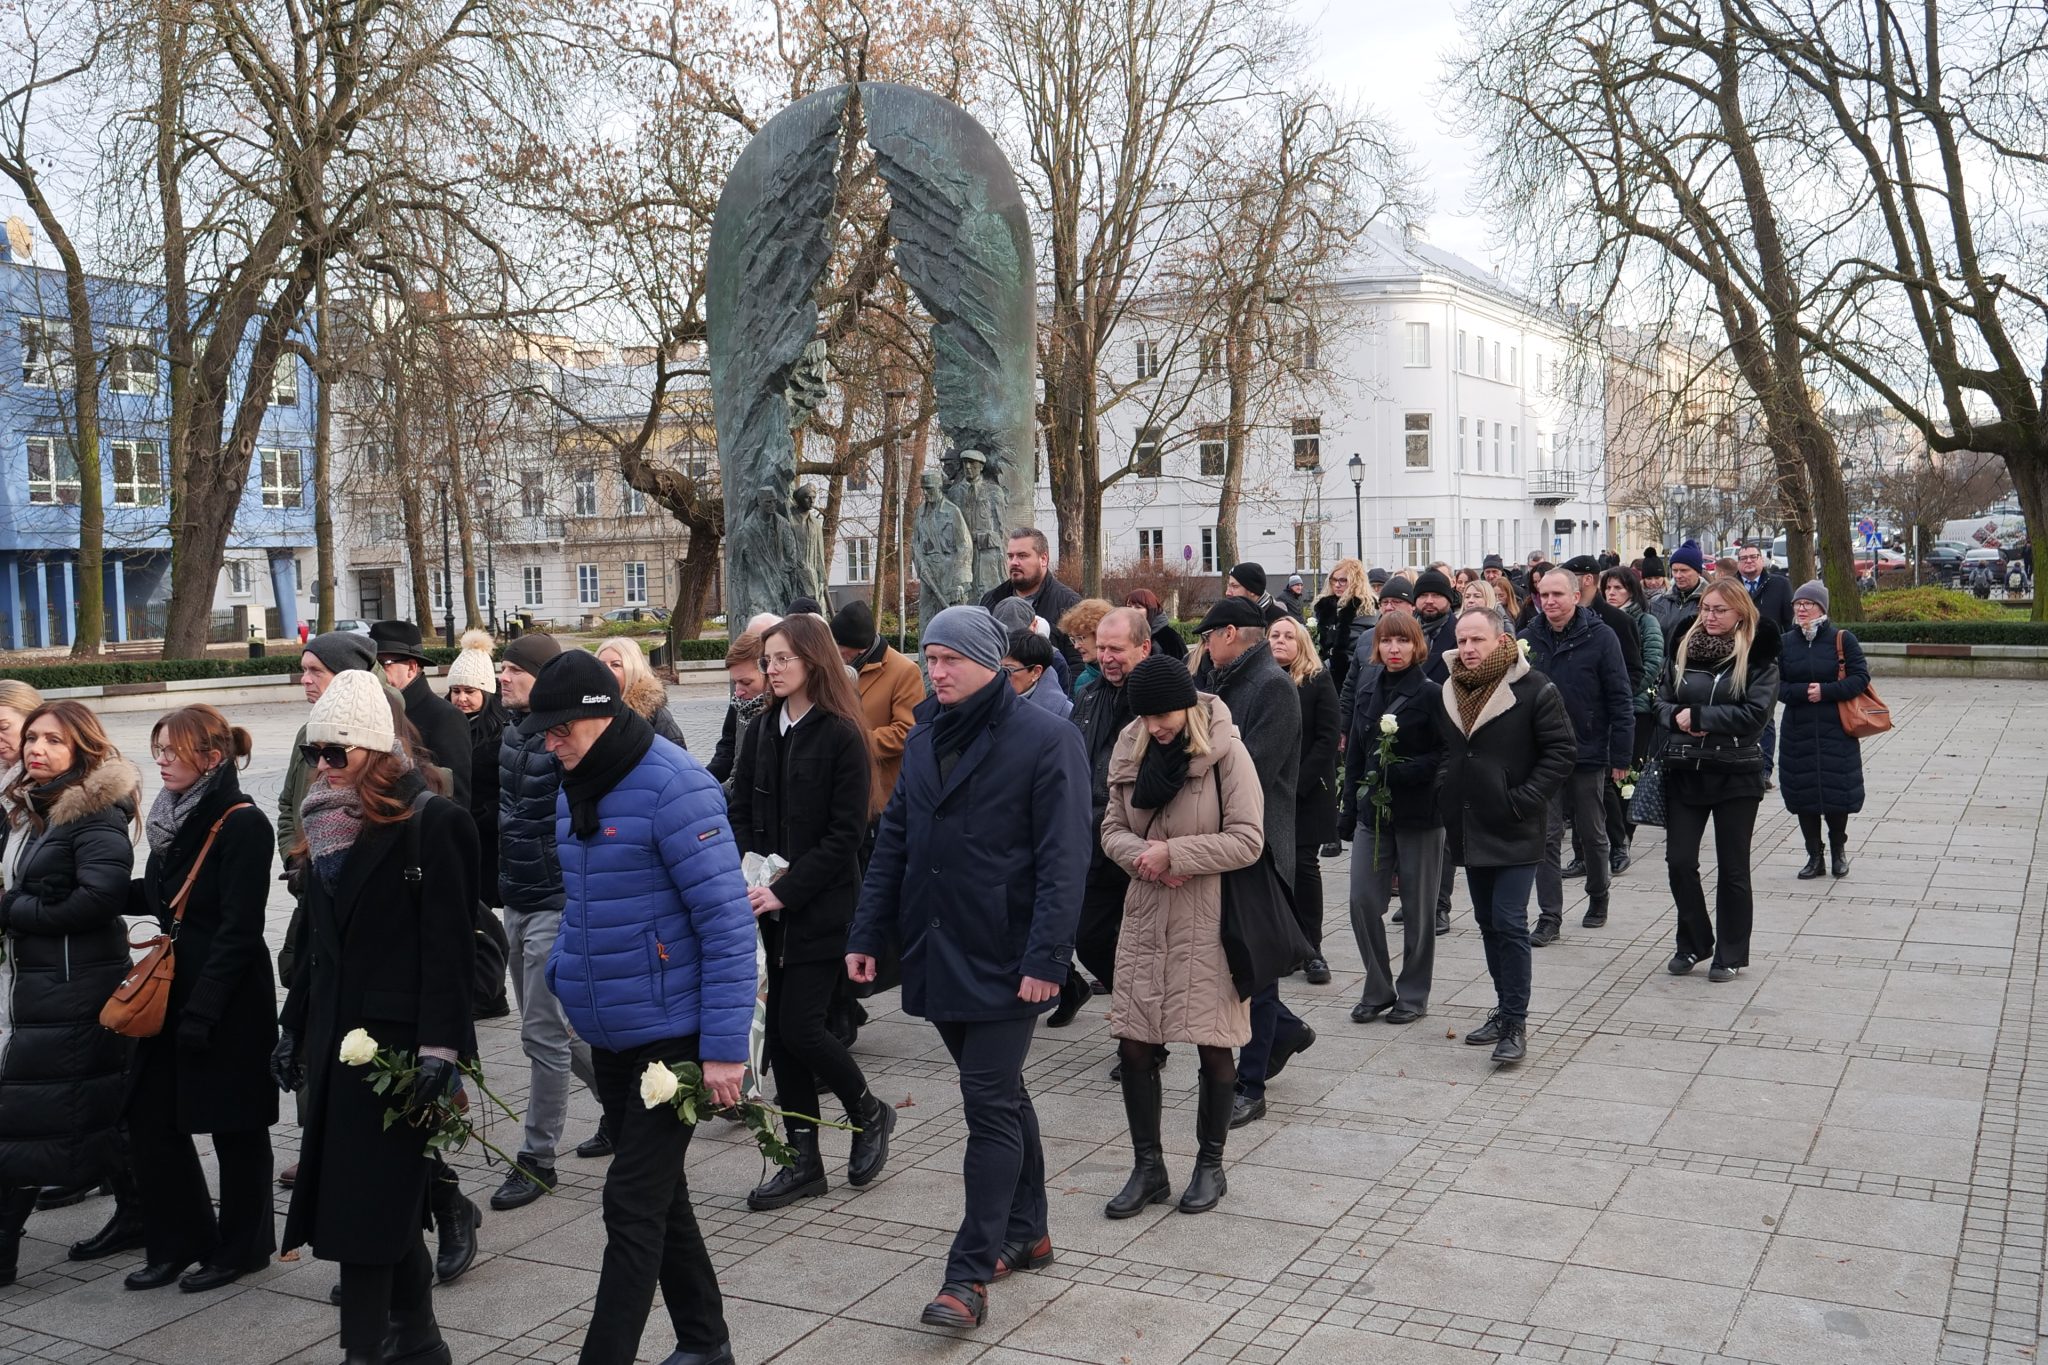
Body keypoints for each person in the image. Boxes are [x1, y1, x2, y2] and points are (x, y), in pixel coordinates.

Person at [846, 606, 1089, 1330]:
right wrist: (868, 931)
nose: (937, 669)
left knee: (986, 1106)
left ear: (989, 662)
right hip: (937, 949)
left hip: (1009, 956)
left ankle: (967, 1275)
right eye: (929, 656)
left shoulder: (1047, 737)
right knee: (1004, 1095)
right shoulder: (924, 735)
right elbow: (894, 840)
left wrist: (1048, 956)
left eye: (951, 658)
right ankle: (1031, 1229)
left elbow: (1065, 859)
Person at [525, 647, 755, 1365]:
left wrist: (724, 1049)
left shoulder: (674, 785)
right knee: (660, 1198)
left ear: (599, 714)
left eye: (559, 728)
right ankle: (705, 1343)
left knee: (629, 1203)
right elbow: (586, 906)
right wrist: (569, 981)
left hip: (676, 1034)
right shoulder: (576, 783)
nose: (548, 742)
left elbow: (726, 924)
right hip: (613, 1029)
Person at [275, 671, 477, 1365]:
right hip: (335, 1038)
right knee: (375, 1203)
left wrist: (442, 1051)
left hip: (399, 1049)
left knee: (363, 1208)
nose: (323, 767)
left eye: (337, 752)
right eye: (314, 753)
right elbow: (318, 946)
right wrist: (291, 1022)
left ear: (376, 748)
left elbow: (448, 951)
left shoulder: (434, 821)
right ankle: (417, 1339)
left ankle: (366, 1349)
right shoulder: (322, 829)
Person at [730, 615, 894, 1211]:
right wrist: (754, 868)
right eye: (767, 661)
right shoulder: (763, 726)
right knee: (780, 1035)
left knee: (800, 1027)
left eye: (781, 660)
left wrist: (788, 889)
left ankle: (868, 1111)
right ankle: (803, 1160)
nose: (771, 670)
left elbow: (846, 832)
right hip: (767, 902)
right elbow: (740, 803)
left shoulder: (841, 733)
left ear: (813, 662)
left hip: (821, 907)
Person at [1098, 656, 1264, 1217]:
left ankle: (1210, 1166)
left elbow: (1248, 839)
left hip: (1209, 917)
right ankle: (1148, 1168)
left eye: (1162, 715)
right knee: (1135, 1043)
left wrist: (1179, 854)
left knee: (1215, 1045)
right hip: (1147, 912)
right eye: (1143, 717)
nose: (1154, 726)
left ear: (1187, 706)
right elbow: (1111, 829)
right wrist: (1143, 857)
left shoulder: (1227, 753)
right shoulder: (1131, 749)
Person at [123, 706, 276, 1293]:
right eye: (158, 747)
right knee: (150, 1117)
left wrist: (205, 1009)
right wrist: (94, 889)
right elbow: (163, 894)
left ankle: (245, 1246)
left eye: (173, 750)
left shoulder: (242, 822)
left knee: (236, 1126)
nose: (160, 758)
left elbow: (240, 928)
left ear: (211, 758)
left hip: (226, 997)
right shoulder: (171, 817)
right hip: (171, 990)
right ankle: (181, 1237)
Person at [0, 703, 140, 1286]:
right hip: (29, 981)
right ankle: (143, 1210)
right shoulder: (27, 808)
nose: (37, 748)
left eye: (53, 740)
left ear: (82, 748)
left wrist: (12, 908)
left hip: (71, 986)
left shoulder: (93, 812)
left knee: (29, 1115)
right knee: (87, 1112)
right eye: (32, 737)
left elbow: (98, 900)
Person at [1432, 610, 1575, 1063]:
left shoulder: (1534, 688)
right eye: (1462, 639)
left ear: (1501, 641)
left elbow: (1562, 750)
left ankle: (1516, 1022)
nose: (1469, 648)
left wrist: (1523, 798)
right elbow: (1446, 750)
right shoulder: (1450, 687)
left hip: (1516, 825)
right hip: (1470, 826)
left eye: (1478, 639)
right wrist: (1444, 787)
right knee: (1489, 922)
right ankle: (1503, 1008)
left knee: (1510, 921)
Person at [495, 631, 606, 1194]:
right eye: (500, 668)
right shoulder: (513, 735)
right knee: (559, 1028)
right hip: (516, 897)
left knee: (540, 1033)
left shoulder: (564, 741)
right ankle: (623, 1105)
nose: (502, 677)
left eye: (514, 669)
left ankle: (537, 1158)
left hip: (554, 905)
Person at [1195, 598, 1308, 1129]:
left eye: (1208, 636)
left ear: (1232, 633)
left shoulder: (1272, 687)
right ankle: (1283, 1033)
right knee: (1236, 962)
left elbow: (1253, 771)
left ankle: (1251, 1083)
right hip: (1222, 840)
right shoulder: (1220, 678)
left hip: (1257, 845)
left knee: (1256, 970)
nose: (1204, 646)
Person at [1658, 581, 1779, 982]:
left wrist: (1702, 718)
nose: (1709, 616)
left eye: (1719, 610)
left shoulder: (1759, 653)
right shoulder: (1682, 645)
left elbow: (1756, 714)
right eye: (1706, 608)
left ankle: (1730, 953)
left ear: (1740, 613)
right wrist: (1675, 715)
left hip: (1735, 773)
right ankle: (1693, 941)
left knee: (1732, 869)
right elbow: (1658, 698)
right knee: (1679, 863)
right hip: (1685, 769)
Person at [1519, 570, 1632, 945]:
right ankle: (1549, 916)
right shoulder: (1527, 638)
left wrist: (1621, 756)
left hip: (1587, 749)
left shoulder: (1600, 637)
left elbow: (1619, 698)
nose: (1549, 601)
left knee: (1591, 831)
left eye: (1556, 594)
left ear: (1575, 594)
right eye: (1543, 595)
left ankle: (1598, 896)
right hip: (1540, 753)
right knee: (1546, 837)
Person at [1339, 613, 1442, 1024]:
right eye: (1386, 642)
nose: (1393, 650)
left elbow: (1444, 755)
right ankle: (1378, 987)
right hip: (1373, 814)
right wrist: (1348, 808)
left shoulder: (1432, 693)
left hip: (1420, 815)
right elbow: (1355, 755)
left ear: (1416, 645)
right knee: (1362, 900)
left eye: (1402, 642)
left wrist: (1405, 771)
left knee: (1418, 909)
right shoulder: (1367, 687)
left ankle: (1413, 993)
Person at [1065, 607, 1153, 1032]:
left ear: (1144, 647)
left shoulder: (1161, 695)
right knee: (1091, 939)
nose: (1106, 657)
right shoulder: (1088, 694)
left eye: (1116, 649)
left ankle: (1142, 1039)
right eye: (1100, 648)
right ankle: (1137, 1017)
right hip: (1095, 837)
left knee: (1151, 949)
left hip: (1145, 840)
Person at [1777, 581, 1868, 879]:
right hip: (1798, 730)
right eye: (1797, 604)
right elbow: (1776, 685)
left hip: (1836, 728)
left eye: (1808, 604)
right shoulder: (1786, 642)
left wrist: (1826, 692)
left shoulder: (1843, 639)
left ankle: (1838, 852)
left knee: (1835, 794)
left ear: (1822, 608)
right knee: (1804, 795)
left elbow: (1860, 679)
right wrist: (1805, 692)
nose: (1801, 609)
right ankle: (1814, 856)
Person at [1267, 615, 1337, 985]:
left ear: (1302, 643)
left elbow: (1328, 738)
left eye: (1288, 636)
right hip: (1266, 791)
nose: (1279, 640)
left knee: (1305, 868)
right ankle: (1283, 946)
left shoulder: (1316, 680)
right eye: (1274, 634)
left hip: (1306, 793)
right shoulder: (1261, 680)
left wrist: (1297, 785)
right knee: (1274, 871)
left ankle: (1313, 949)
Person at [832, 600, 923, 825]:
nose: (837, 653)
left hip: (881, 797)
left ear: (860, 648)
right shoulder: (841, 668)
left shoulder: (904, 671)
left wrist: (852, 743)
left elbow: (906, 732)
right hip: (843, 790)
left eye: (841, 649)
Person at [1601, 567, 1665, 858]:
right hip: (1604, 709)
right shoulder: (1600, 619)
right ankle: (1608, 835)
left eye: (1618, 588)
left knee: (1626, 774)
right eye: (1608, 588)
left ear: (1631, 590)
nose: (1612, 593)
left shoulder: (1645, 620)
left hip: (1636, 708)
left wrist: (1625, 693)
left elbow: (1652, 662)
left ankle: (1624, 838)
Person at [370, 620, 471, 805]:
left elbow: (457, 799)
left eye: (384, 663)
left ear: (411, 667)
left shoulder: (445, 717)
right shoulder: (373, 712)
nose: (377, 672)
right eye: (372, 664)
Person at [446, 631, 507, 912]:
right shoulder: (443, 727)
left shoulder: (501, 732)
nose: (461, 699)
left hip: (489, 838)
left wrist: (487, 814)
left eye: (470, 692)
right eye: (456, 691)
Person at [979, 527, 1084, 670]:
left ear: (1043, 559)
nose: (1014, 562)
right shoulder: (991, 600)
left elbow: (1078, 665)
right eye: (1010, 556)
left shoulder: (1070, 604)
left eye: (1022, 556)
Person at [1734, 543, 1791, 783]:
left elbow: (1788, 623)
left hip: (1768, 659)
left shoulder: (1778, 584)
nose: (1748, 561)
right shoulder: (1732, 586)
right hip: (1736, 658)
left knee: (1765, 715)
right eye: (1743, 558)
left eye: (1753, 557)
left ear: (1763, 560)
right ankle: (1740, 762)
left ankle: (1764, 768)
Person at [598, 639, 688, 747]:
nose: (606, 670)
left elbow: (674, 759)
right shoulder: (585, 711)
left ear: (633, 669)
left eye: (616, 665)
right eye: (601, 664)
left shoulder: (657, 717)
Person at [708, 632, 770, 788]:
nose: (738, 692)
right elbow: (727, 751)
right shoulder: (742, 705)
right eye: (735, 682)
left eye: (746, 682)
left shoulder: (783, 718)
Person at [1313, 557, 1371, 703]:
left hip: (1354, 678)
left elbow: (1360, 645)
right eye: (1334, 580)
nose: (1337, 585)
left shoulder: (1366, 609)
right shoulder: (1325, 607)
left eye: (1343, 580)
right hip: (1324, 678)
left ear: (1355, 582)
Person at [1003, 629, 1074, 719]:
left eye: (1010, 669)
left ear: (1036, 672)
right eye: (998, 667)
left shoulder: (1063, 712)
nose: (1002, 675)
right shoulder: (990, 701)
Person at [1652, 540, 1708, 649]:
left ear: (1698, 571)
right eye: (1675, 570)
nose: (1678, 575)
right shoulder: (1658, 602)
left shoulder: (1709, 603)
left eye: (1684, 570)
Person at [1058, 598, 1116, 697]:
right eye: (1074, 639)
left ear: (1100, 634)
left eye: (1081, 638)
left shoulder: (1128, 672)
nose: (1076, 646)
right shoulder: (1083, 681)